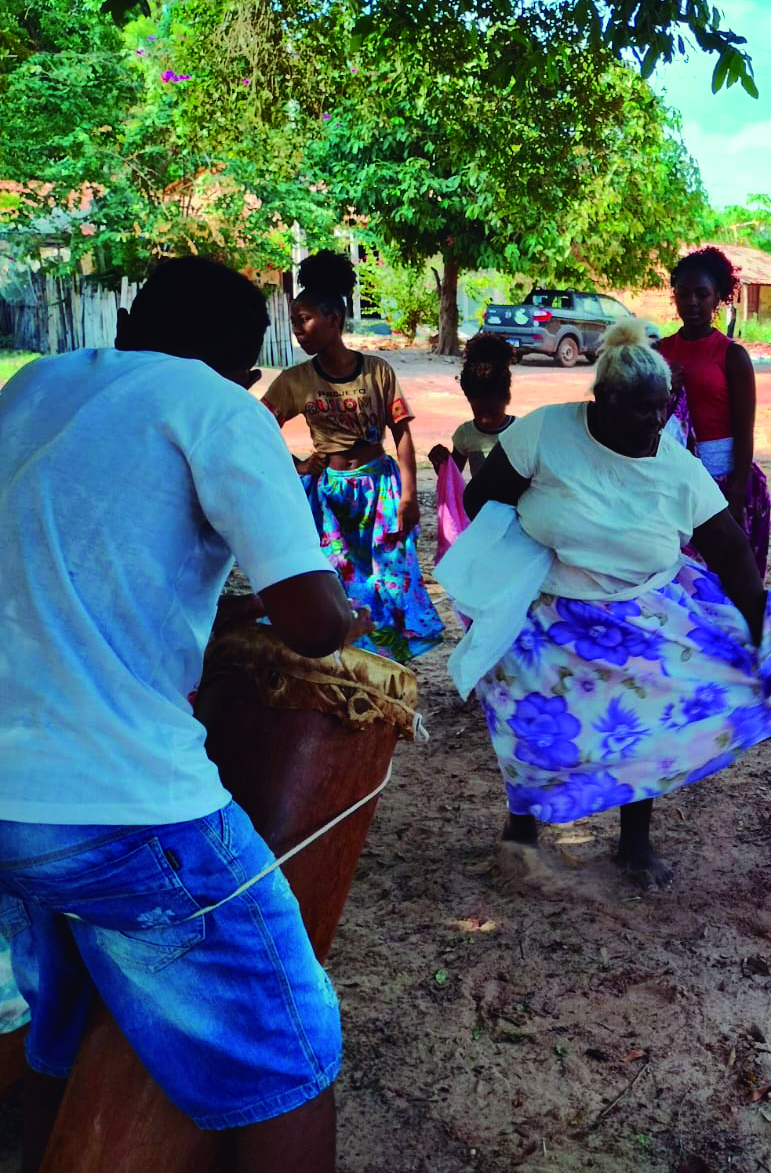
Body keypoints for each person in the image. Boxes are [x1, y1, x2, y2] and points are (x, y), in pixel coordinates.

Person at [0, 257, 368, 1171]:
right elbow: (316, 626)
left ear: (126, 322)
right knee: (293, 1054)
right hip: (114, 805)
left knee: (51, 1034)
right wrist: (353, 610)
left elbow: (68, 566)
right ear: (246, 369)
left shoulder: (33, 388)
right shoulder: (217, 408)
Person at [452, 320, 771, 888]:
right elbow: (482, 497)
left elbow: (730, 550)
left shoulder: (676, 467)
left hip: (637, 612)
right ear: (603, 399)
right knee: (531, 725)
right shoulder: (546, 433)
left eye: (663, 408)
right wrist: (518, 560)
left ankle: (634, 844)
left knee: (644, 725)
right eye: (641, 409)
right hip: (547, 608)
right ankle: (521, 839)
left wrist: (764, 633)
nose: (656, 421)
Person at [263, 250, 444, 664]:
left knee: (390, 579)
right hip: (329, 499)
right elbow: (255, 427)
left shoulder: (378, 371)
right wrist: (298, 465)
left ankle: (388, 665)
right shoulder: (295, 381)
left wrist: (409, 496)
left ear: (335, 319)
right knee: (337, 581)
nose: (298, 331)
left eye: (304, 319)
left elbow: (402, 435)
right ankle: (346, 663)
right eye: (293, 322)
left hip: (380, 492)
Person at [657, 247, 771, 576]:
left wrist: (735, 496)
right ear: (674, 296)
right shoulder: (658, 352)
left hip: (721, 478)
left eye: (702, 294)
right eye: (684, 293)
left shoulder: (732, 355)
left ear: (718, 298)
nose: (692, 302)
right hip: (672, 480)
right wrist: (664, 384)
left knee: (722, 577)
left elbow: (743, 428)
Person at [429, 332, 518, 561]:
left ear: (507, 398)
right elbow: (452, 476)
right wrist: (440, 461)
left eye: (493, 412)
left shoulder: (520, 431)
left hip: (516, 520)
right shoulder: (466, 434)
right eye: (478, 413)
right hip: (480, 518)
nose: (486, 420)